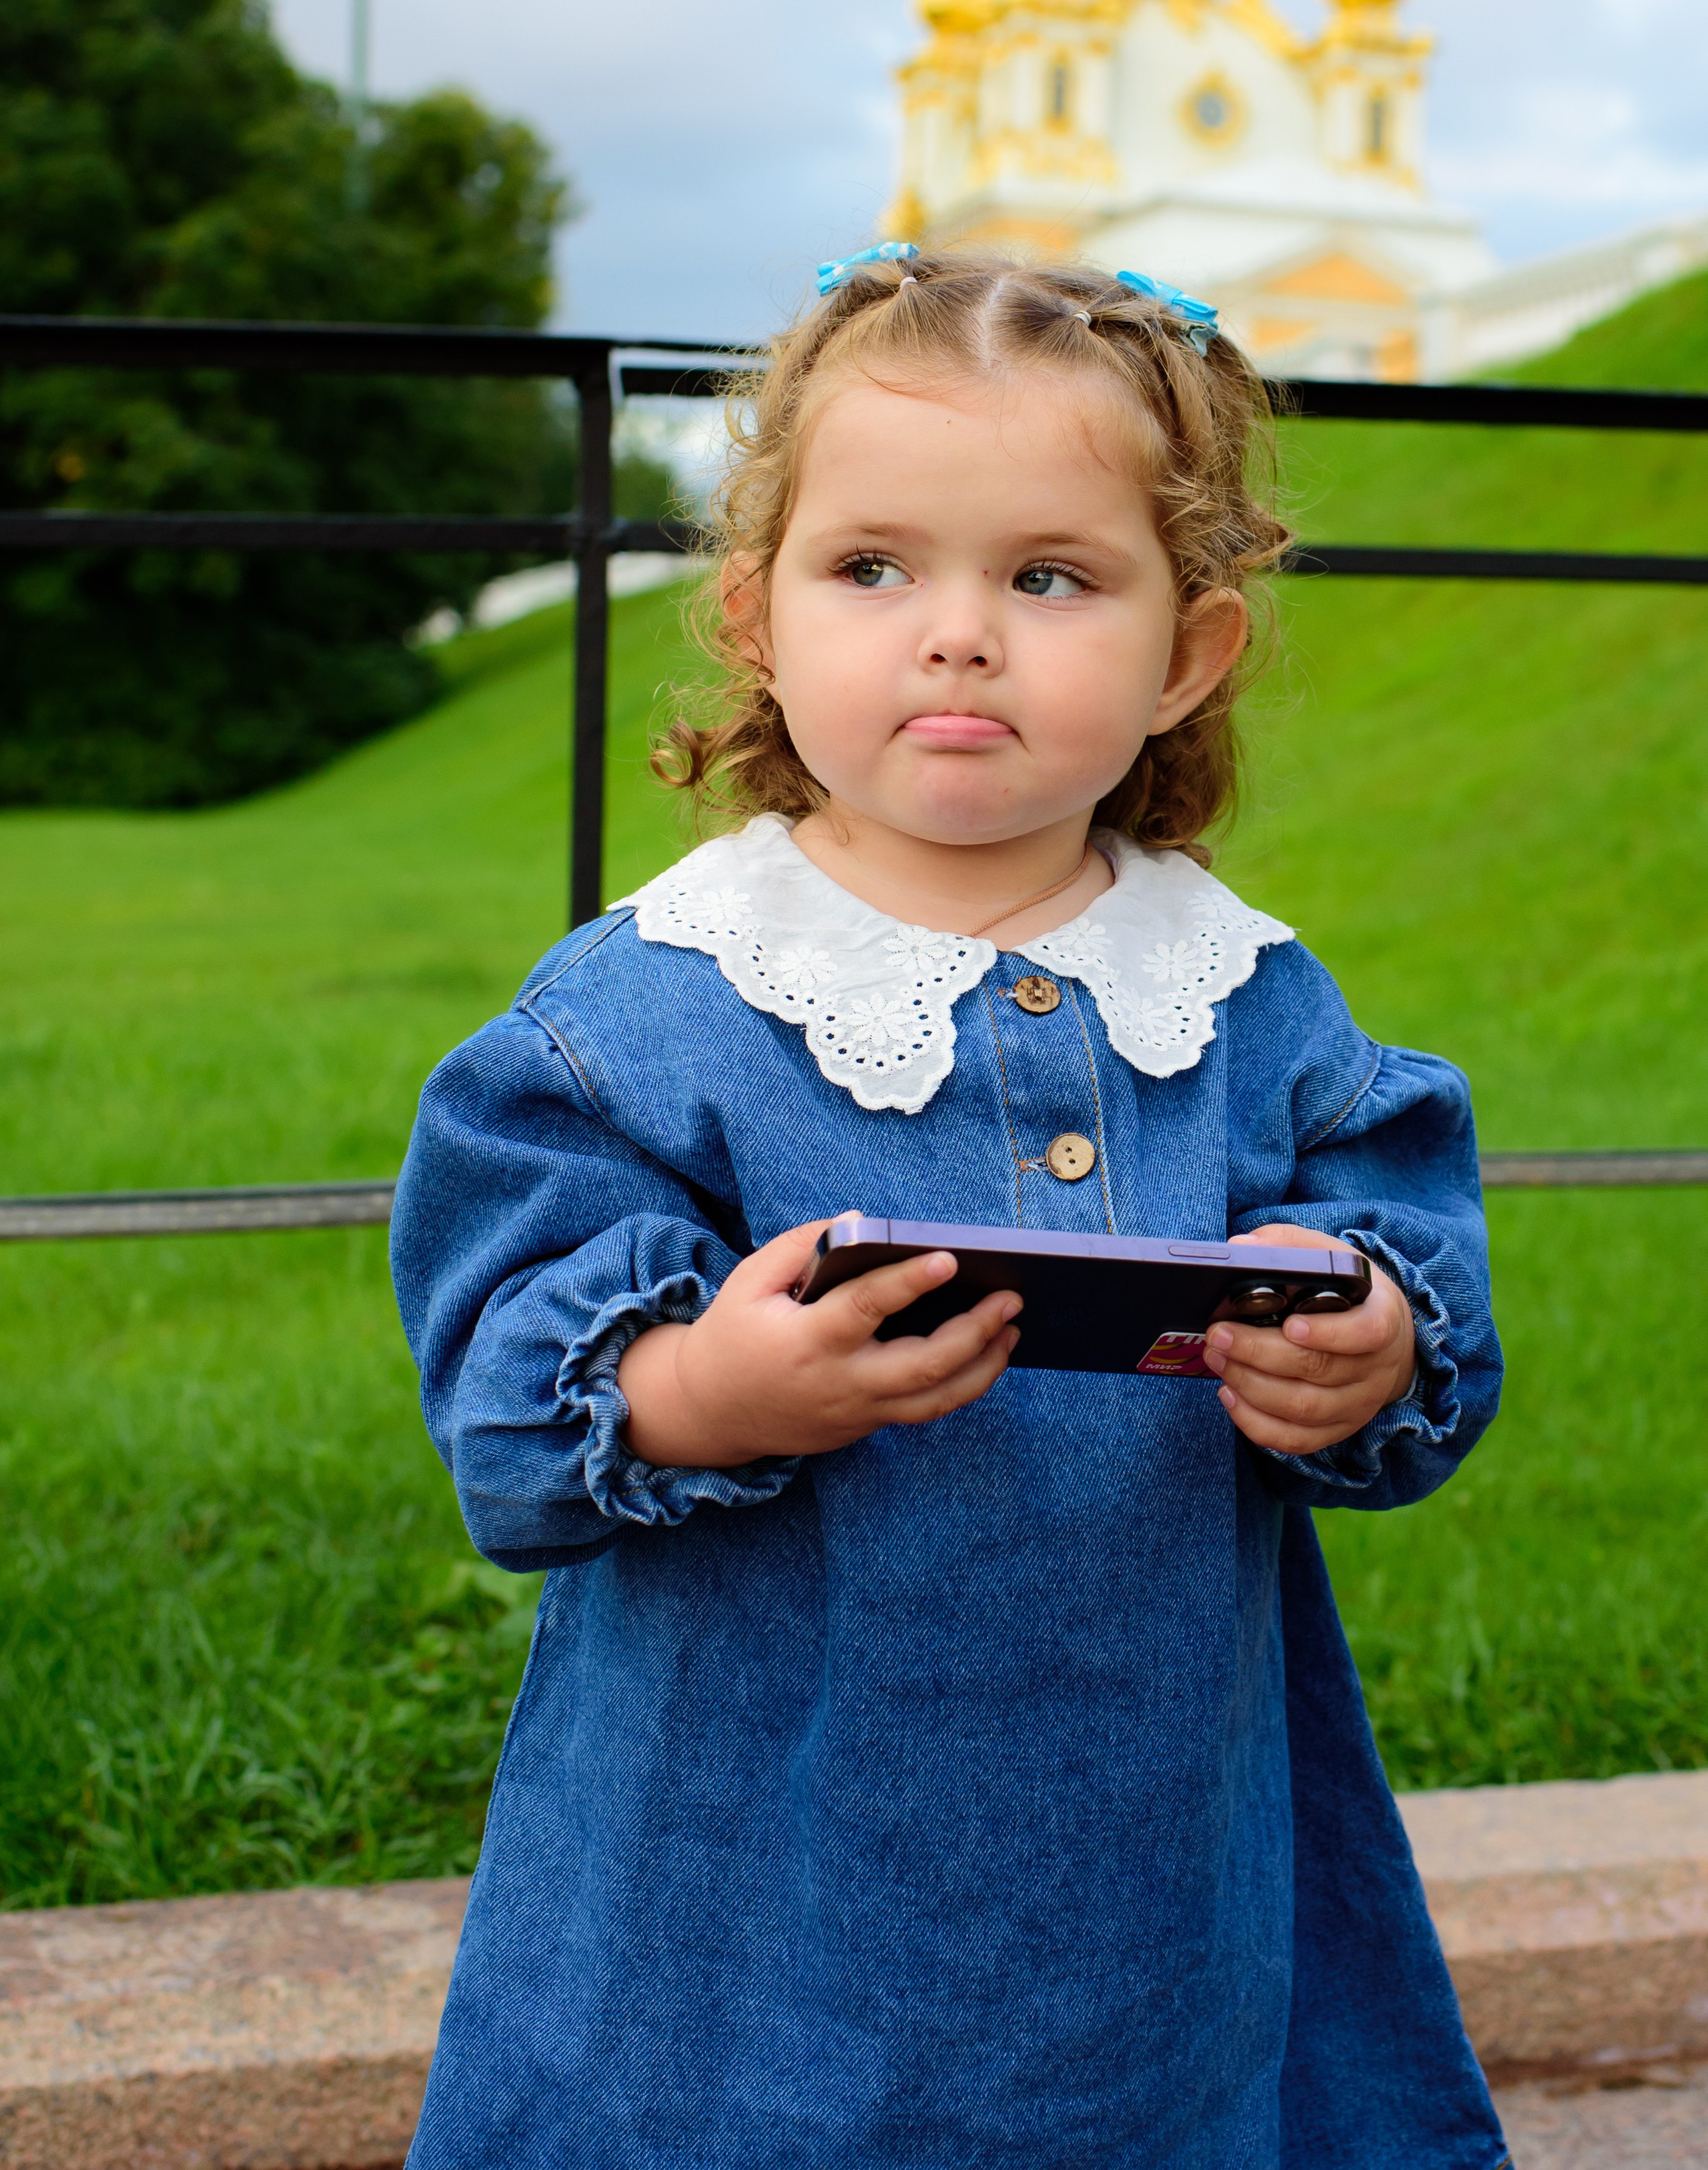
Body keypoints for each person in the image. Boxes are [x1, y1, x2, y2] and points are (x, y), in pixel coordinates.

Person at [392, 246, 1509, 2169]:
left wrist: (1367, 1336)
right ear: (754, 615)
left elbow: (1412, 1280)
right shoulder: (654, 1006)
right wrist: (697, 1387)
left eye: (1052, 576)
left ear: (1190, 653)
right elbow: (508, 1389)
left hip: (1157, 1869)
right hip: (748, 1892)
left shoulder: (1247, 1000)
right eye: (874, 567)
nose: (959, 634)